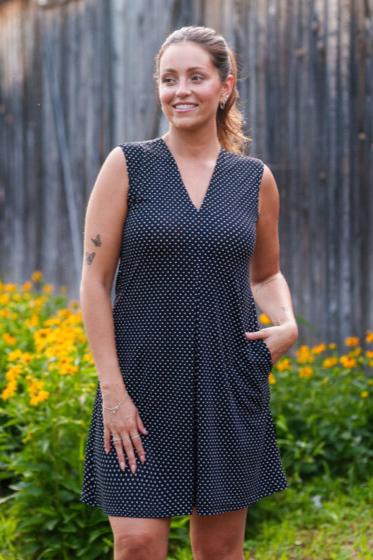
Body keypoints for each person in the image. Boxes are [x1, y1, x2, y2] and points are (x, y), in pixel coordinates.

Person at [79, 24, 298, 560]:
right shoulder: (128, 165)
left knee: (220, 553)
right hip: (140, 384)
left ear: (225, 87)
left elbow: (265, 274)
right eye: (168, 78)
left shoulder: (254, 179)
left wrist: (287, 323)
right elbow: (93, 281)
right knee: (136, 544)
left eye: (196, 77)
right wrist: (113, 393)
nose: (181, 90)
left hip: (227, 381)